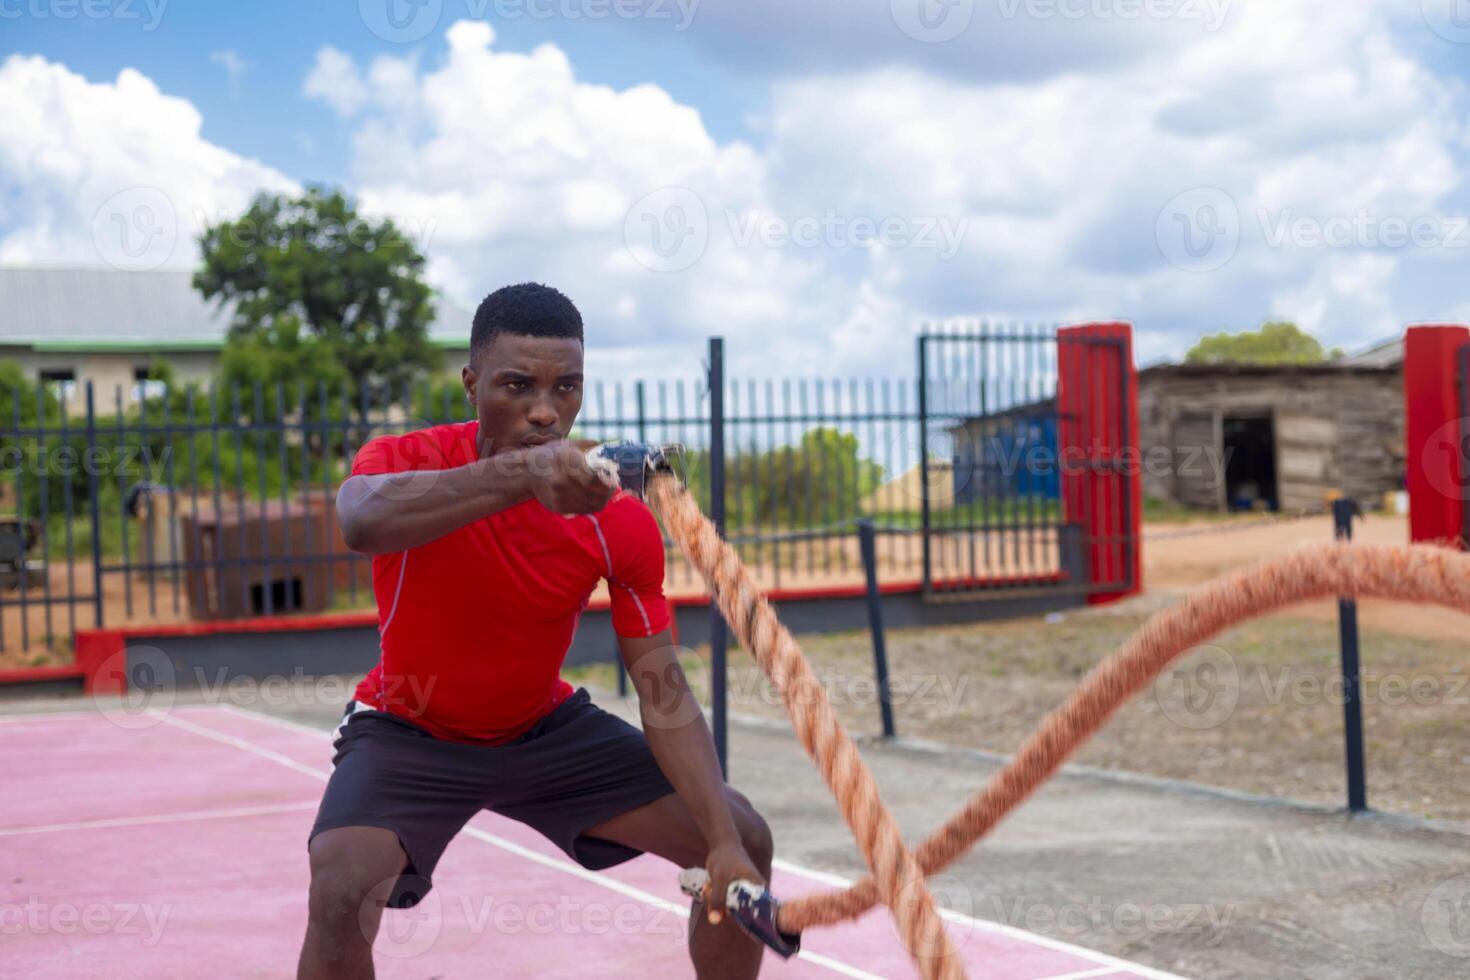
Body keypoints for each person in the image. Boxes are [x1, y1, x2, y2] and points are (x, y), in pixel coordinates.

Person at [297, 283, 772, 979]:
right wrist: (523, 474)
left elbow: (662, 689)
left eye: (566, 387)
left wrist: (722, 842)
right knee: (339, 886)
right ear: (471, 384)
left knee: (745, 839)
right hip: (409, 726)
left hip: (543, 732)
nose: (545, 410)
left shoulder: (615, 520)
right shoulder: (406, 460)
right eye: (516, 385)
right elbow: (362, 521)